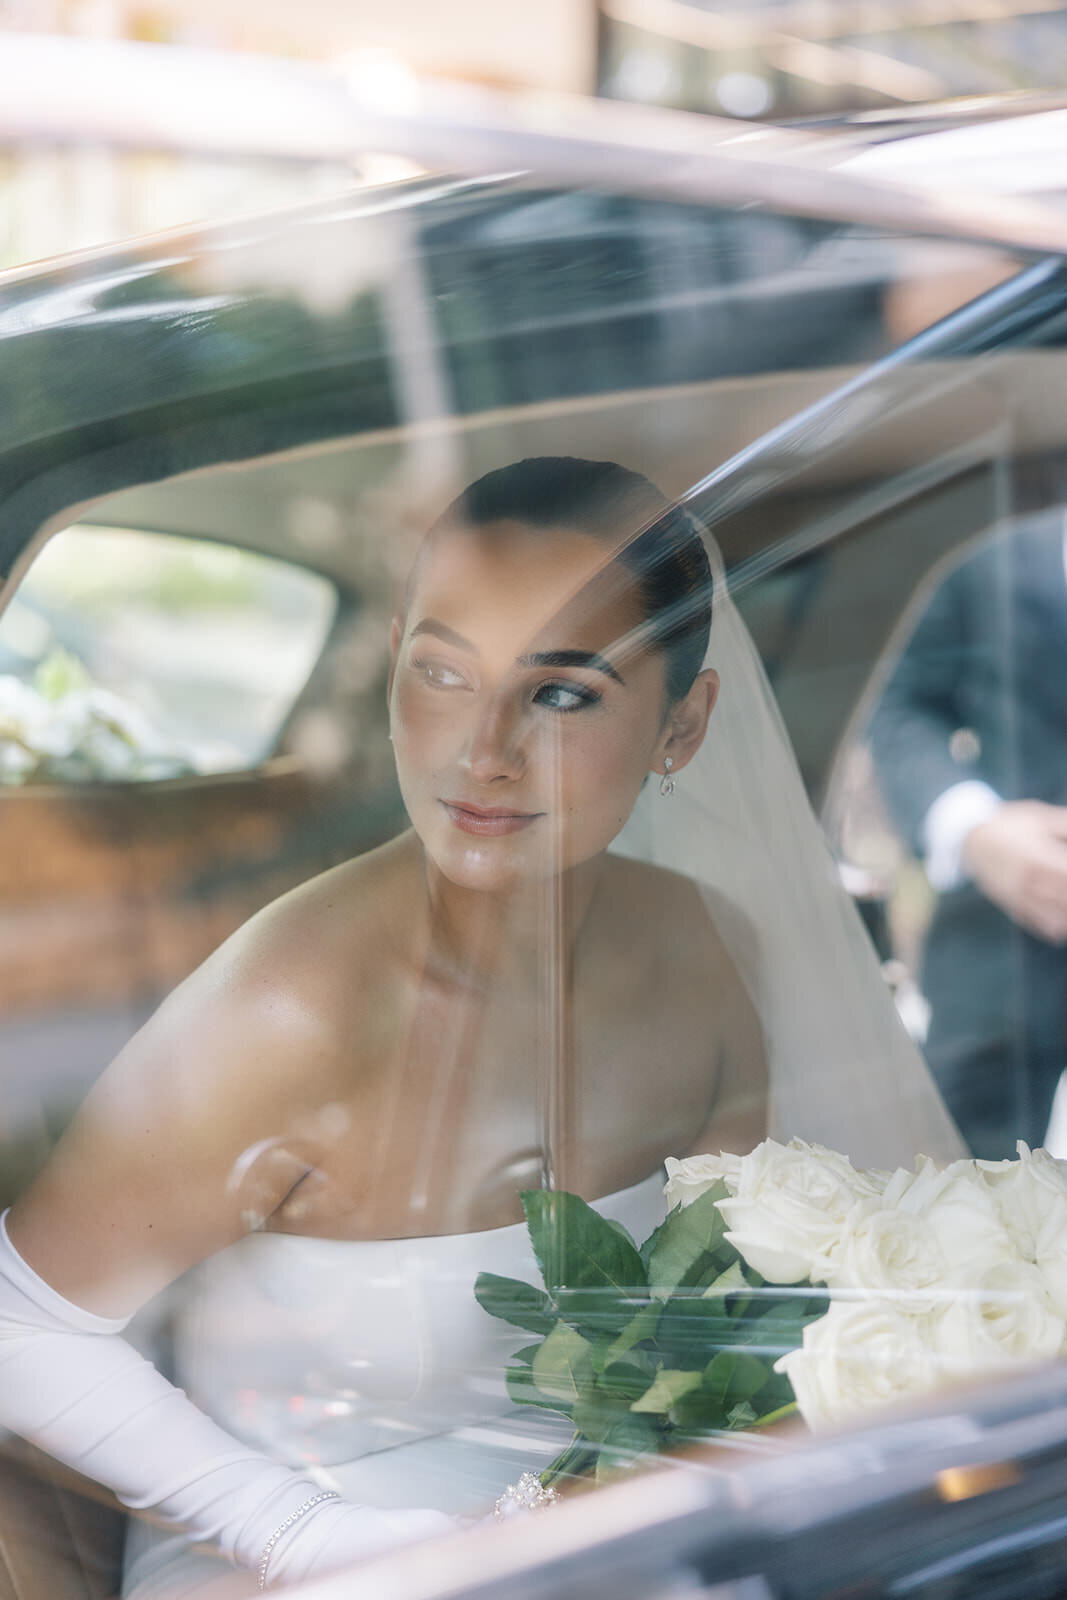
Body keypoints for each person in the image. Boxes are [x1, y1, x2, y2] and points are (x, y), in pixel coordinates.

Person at [0, 458, 959, 1599]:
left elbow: (714, 1310)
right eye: (443, 672)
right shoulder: (286, 1010)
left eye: (560, 693)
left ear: (682, 725)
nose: (483, 748)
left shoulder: (707, 953)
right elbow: (20, 1326)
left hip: (614, 1534)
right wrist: (292, 1530)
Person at [868, 511, 1067, 1160]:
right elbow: (899, 708)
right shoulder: (990, 561)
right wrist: (975, 830)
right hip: (1002, 954)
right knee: (955, 1196)